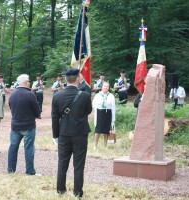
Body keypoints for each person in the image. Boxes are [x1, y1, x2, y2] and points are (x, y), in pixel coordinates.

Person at [51, 68, 92, 198]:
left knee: (62, 163)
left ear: (65, 80)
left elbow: (54, 117)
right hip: (80, 134)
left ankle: (61, 190)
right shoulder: (85, 95)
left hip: (64, 134)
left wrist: (55, 135)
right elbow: (88, 111)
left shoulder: (57, 96)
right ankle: (78, 192)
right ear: (78, 79)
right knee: (79, 164)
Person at [8, 74, 41, 175]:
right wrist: (37, 114)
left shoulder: (12, 94)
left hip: (15, 125)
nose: (30, 83)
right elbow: (37, 111)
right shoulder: (30, 94)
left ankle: (11, 170)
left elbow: (11, 107)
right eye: (29, 81)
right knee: (29, 148)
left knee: (13, 147)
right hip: (28, 125)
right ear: (25, 83)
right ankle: (30, 171)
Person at [93, 82, 116, 149]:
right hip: (99, 113)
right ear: (102, 87)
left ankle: (105, 145)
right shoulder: (97, 95)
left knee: (106, 130)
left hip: (108, 113)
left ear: (109, 88)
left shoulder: (111, 96)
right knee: (98, 130)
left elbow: (113, 107)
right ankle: (95, 145)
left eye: (107, 86)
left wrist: (113, 118)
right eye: (104, 86)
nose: (106, 87)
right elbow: (94, 104)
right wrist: (98, 110)